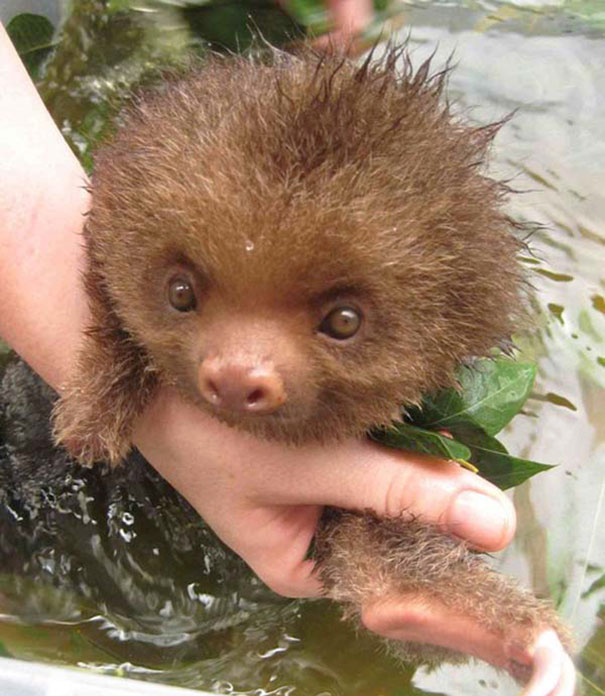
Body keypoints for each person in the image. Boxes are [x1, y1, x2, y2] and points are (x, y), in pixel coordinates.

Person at [0, 20, 516, 649]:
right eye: (183, 294)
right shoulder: (135, 232)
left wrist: (414, 565)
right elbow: (105, 254)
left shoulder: (441, 353)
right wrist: (122, 378)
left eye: (340, 323)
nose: (238, 367)